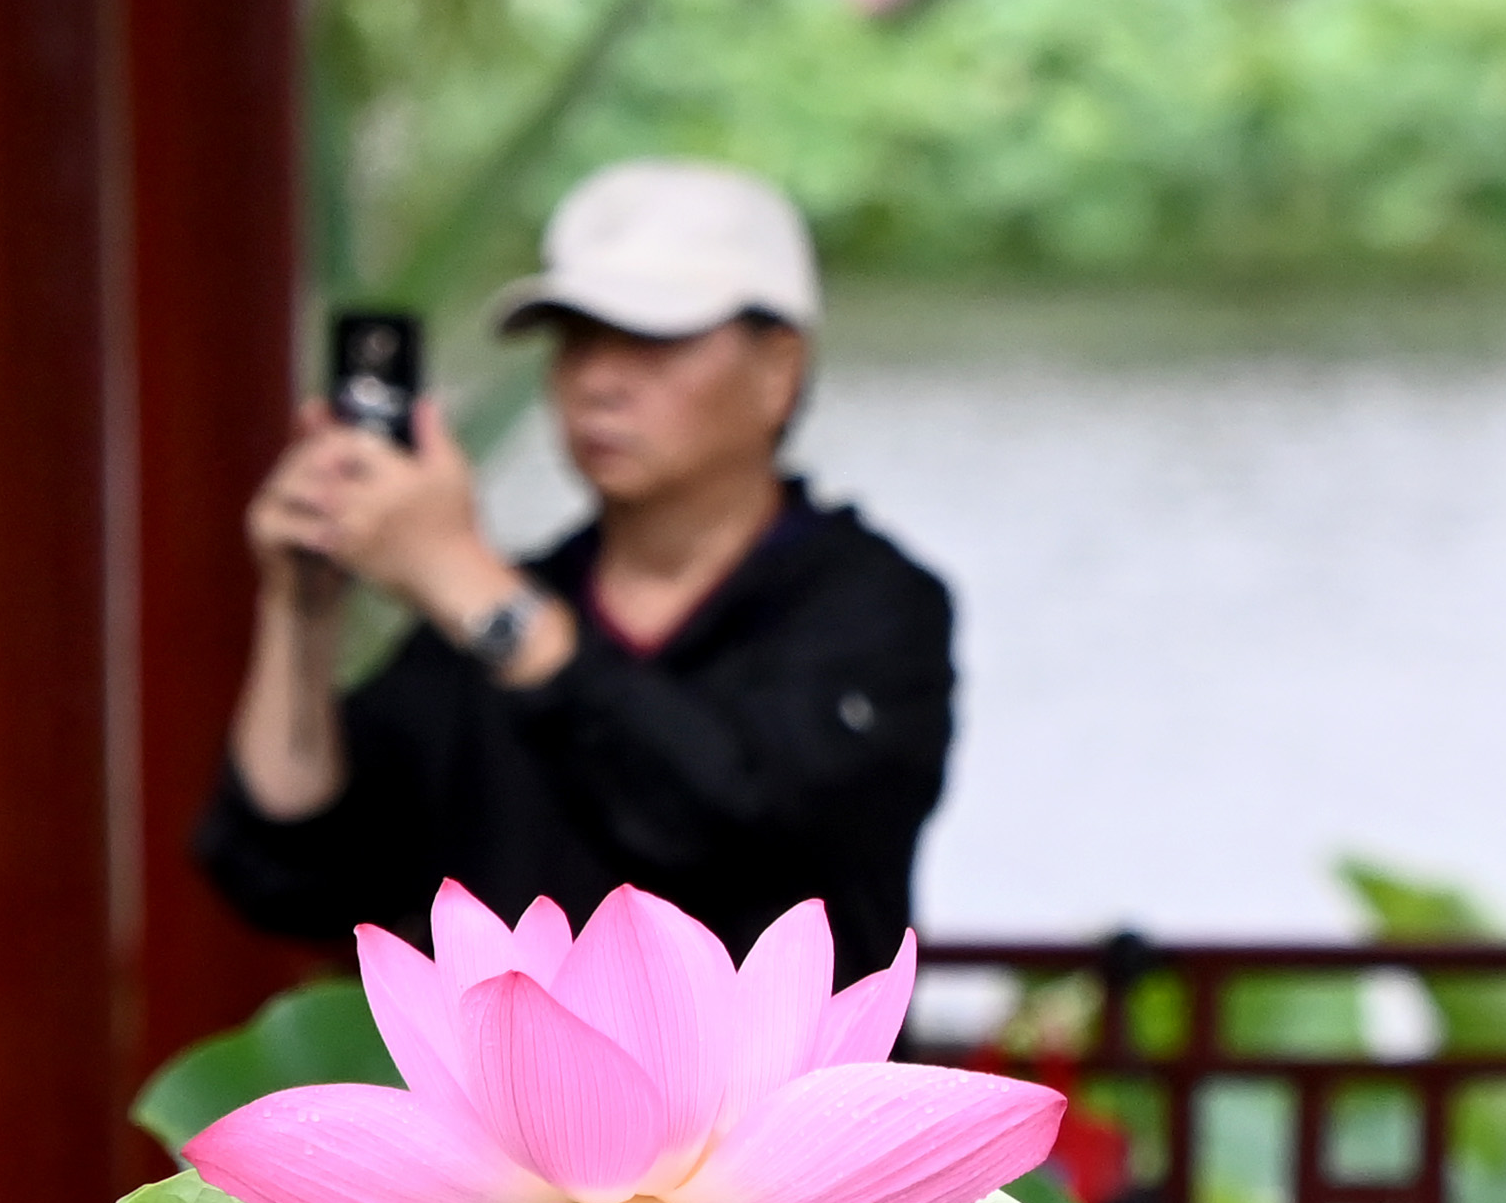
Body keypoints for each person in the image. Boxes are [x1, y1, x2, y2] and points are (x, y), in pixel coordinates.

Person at [201, 159, 956, 971]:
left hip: (764, 1102)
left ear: (778, 369)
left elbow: (730, 822)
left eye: (652, 341)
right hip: (525, 1102)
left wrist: (462, 577)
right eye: (577, 341)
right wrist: (301, 611)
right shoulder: (493, 617)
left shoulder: (874, 606)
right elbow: (287, 867)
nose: (598, 381)